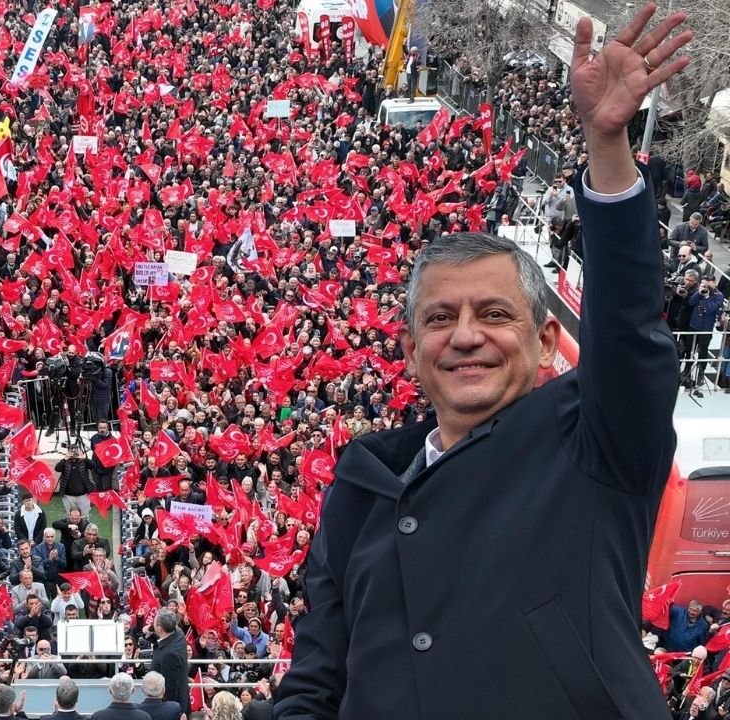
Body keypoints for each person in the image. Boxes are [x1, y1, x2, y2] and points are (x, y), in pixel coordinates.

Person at [273, 5, 689, 719]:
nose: (466, 336)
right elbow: (318, 673)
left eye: (494, 314)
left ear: (543, 339)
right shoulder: (363, 480)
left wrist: (606, 145)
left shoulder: (598, 444)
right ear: (410, 351)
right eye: (440, 318)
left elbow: (631, 330)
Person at [147, 611, 189, 715]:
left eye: (154, 623)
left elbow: (170, 687)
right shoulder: (178, 633)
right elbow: (163, 641)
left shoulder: (169, 656)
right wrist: (150, 633)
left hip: (170, 709)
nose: (152, 623)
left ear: (160, 628)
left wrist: (168, 711)